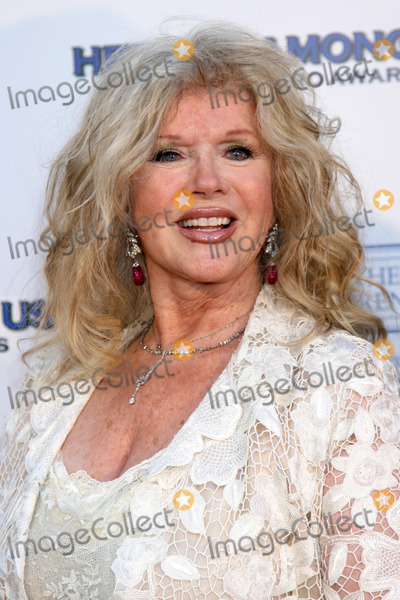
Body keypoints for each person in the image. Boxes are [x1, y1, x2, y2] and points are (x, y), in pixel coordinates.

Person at [1, 21, 399, 600]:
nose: (206, 182)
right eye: (168, 154)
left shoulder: (338, 386)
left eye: (238, 151)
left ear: (279, 186)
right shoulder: (56, 385)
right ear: (121, 194)